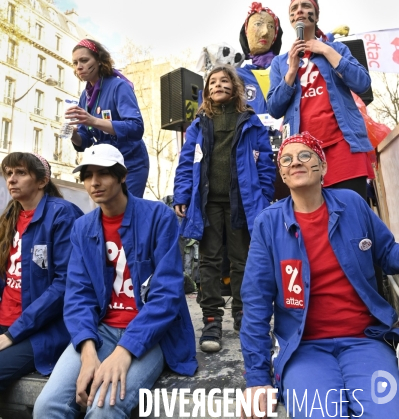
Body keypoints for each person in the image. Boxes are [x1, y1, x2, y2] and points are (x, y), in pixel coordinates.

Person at [240, 132, 399, 419]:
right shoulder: (269, 224)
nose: (295, 163)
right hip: (305, 350)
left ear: (323, 166)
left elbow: (389, 255)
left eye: (305, 155)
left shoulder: (352, 204)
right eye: (286, 160)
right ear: (283, 176)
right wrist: (257, 378)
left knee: (386, 413)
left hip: (364, 340)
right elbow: (256, 303)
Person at [34, 143, 197, 419]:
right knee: (47, 406)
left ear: (122, 176)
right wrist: (87, 353)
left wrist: (125, 352)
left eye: (104, 174)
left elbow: (167, 296)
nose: (94, 182)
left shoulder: (159, 217)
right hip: (100, 331)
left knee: (104, 408)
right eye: (87, 175)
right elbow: (78, 296)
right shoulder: (83, 228)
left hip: (151, 335)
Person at [173, 65, 275, 353]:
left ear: (236, 86)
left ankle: (244, 318)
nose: (218, 85)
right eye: (213, 82)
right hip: (208, 204)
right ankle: (211, 320)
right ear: (207, 91)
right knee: (209, 261)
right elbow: (185, 164)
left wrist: (264, 198)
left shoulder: (251, 122)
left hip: (242, 203)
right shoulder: (198, 124)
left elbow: (265, 163)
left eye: (224, 80)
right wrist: (182, 194)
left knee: (243, 260)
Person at [267, 0, 374, 199]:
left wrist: (325, 49)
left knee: (351, 216)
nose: (299, 10)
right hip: (303, 154)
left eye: (305, 6)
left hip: (344, 146)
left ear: (315, 16)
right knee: (315, 222)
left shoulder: (336, 49)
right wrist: (290, 72)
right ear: (291, 20)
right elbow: (274, 108)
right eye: (294, 8)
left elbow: (362, 83)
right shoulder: (280, 63)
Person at [0, 152, 82, 389]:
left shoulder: (62, 214)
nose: (12, 179)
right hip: (6, 322)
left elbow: (64, 284)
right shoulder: (9, 217)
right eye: (9, 173)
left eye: (21, 173)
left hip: (39, 329)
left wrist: (12, 334)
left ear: (42, 180)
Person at [68, 38, 149, 197]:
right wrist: (73, 134)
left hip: (130, 163)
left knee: (126, 211)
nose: (79, 66)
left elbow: (136, 128)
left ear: (99, 60)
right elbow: (85, 140)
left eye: (84, 60)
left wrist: (94, 121)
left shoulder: (119, 86)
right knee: (108, 213)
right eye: (75, 62)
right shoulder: (85, 96)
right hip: (104, 164)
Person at [237, 1, 283, 119]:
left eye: (271, 26)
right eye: (258, 24)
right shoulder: (235, 75)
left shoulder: (287, 67)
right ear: (246, 33)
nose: (265, 32)